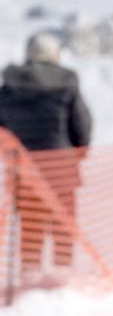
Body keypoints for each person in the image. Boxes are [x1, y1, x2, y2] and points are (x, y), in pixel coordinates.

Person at [0, 31, 93, 275]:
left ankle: (30, 276)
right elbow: (82, 125)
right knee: (63, 226)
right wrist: (77, 155)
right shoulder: (67, 85)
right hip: (61, 169)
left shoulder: (9, 88)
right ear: (55, 55)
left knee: (31, 227)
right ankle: (62, 277)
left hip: (24, 170)